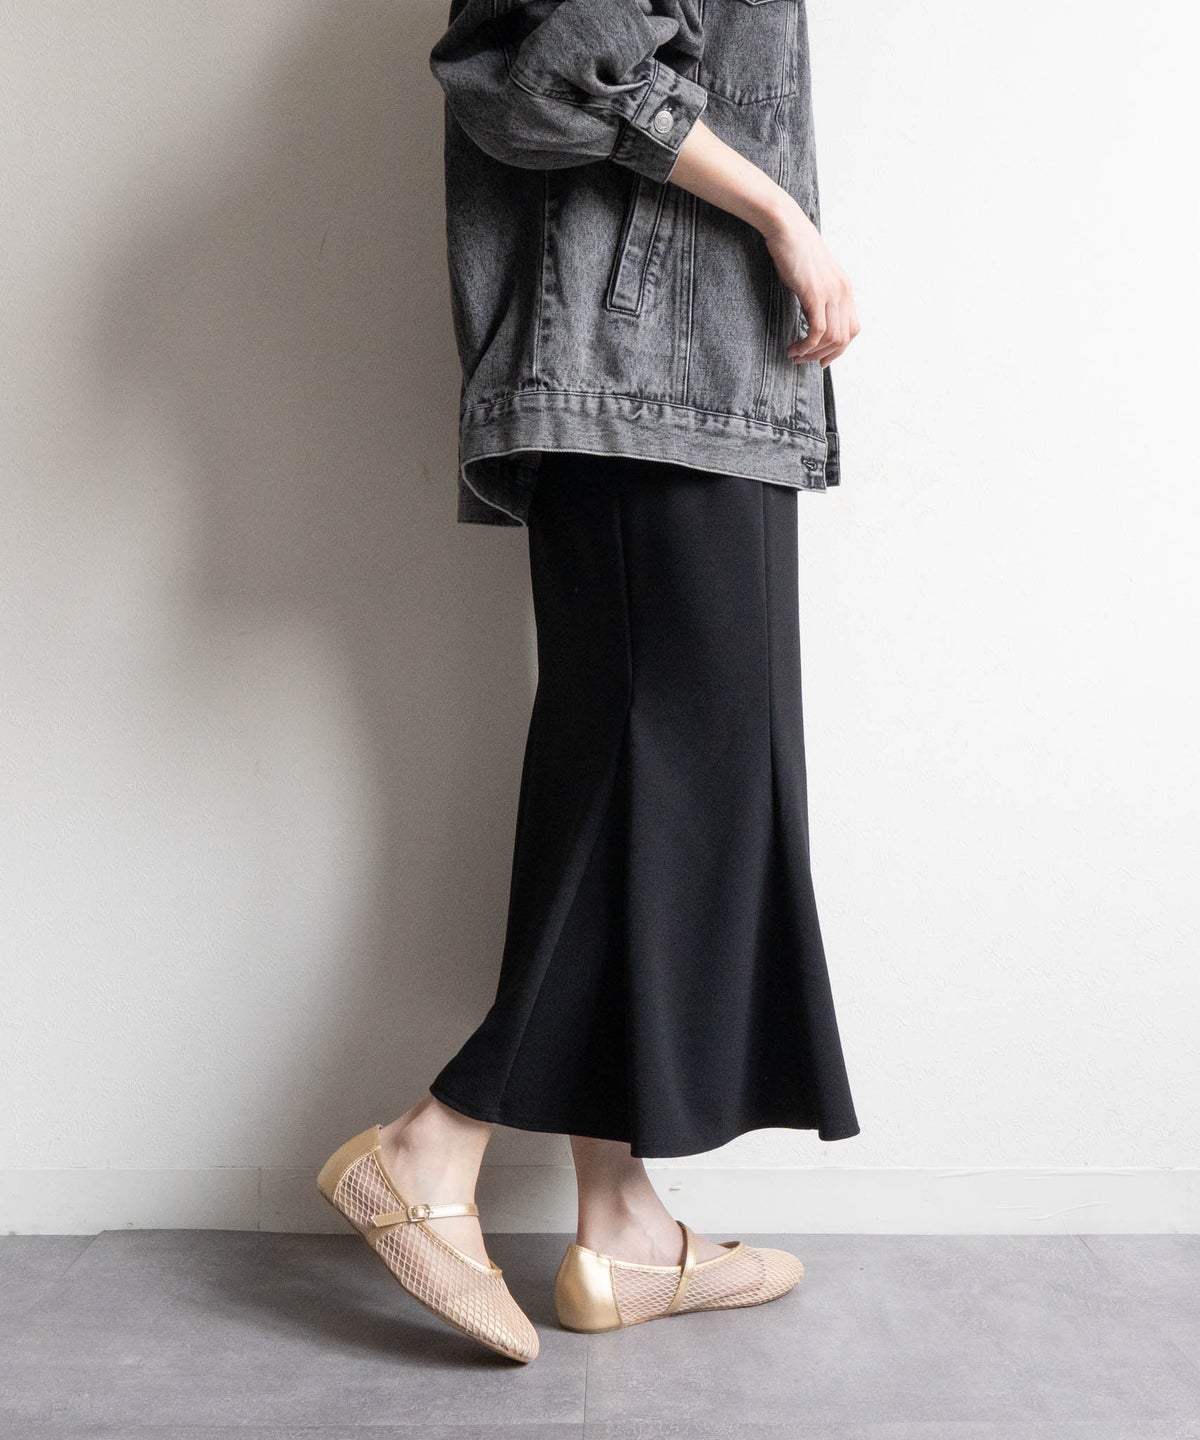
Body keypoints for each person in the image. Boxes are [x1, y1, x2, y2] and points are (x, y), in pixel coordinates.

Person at [317, 0, 861, 1364]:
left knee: (658, 780)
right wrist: (782, 215)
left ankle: (620, 1224)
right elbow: (549, 60)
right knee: (674, 776)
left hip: (690, 379)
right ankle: (432, 1145)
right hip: (645, 374)